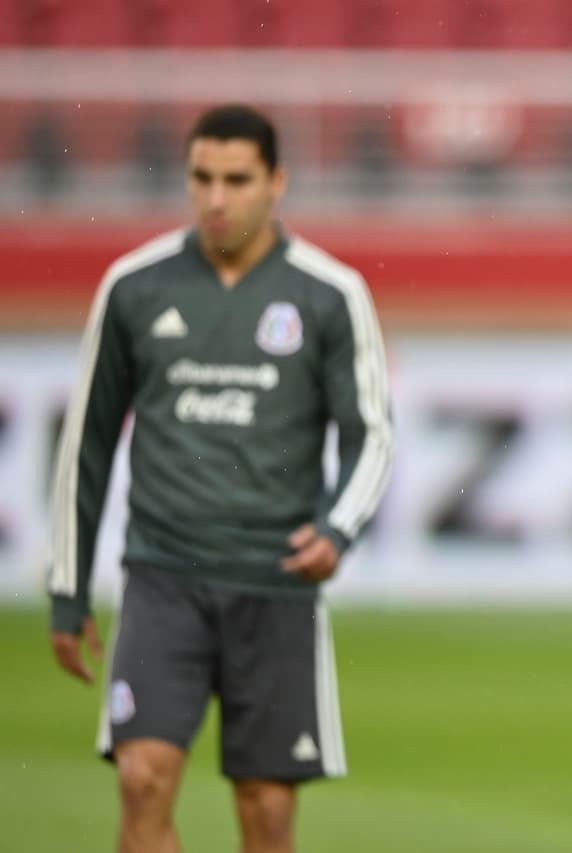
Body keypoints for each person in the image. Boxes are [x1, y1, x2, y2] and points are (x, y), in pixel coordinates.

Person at [47, 104, 393, 853]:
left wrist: (337, 529)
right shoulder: (133, 286)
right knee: (141, 779)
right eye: (202, 178)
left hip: (275, 582)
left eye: (237, 180)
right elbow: (86, 444)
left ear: (276, 182)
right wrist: (68, 589)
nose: (216, 198)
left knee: (266, 813)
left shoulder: (328, 293)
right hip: (162, 576)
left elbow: (371, 435)